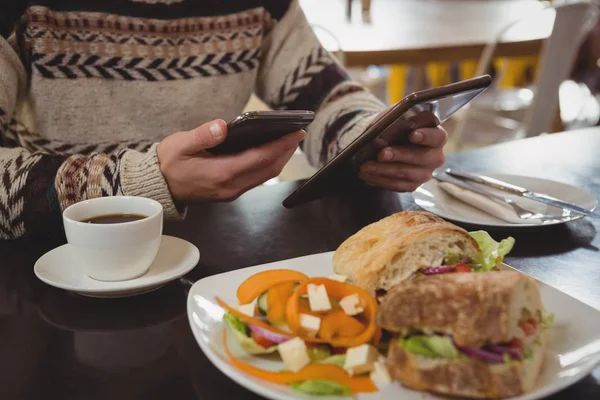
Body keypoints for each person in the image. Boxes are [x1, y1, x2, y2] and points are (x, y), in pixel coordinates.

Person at [0, 0, 447, 240]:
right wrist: (140, 182)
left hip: (210, 264)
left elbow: (328, 95)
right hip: (51, 263)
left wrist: (373, 141)